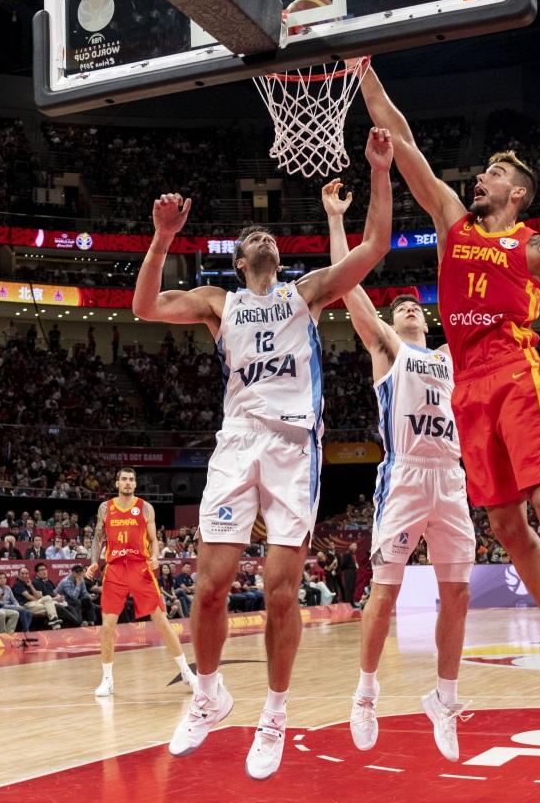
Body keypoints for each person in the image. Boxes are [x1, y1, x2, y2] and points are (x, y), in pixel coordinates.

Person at [360, 64, 540, 711]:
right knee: (506, 523)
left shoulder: (535, 247)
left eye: (497, 175)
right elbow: (401, 137)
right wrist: (362, 74)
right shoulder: (453, 220)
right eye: (485, 171)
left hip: (515, 369)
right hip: (467, 383)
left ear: (517, 196)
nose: (482, 177)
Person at [136, 128, 394, 780]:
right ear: (236, 257)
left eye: (269, 236)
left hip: (292, 447)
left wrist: (381, 170)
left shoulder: (302, 294)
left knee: (281, 591)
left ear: (277, 255)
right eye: (250, 237)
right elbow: (143, 306)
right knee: (209, 586)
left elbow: (374, 247)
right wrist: (163, 237)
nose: (260, 237)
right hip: (235, 445)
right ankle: (209, 694)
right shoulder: (216, 303)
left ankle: (274, 713)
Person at [324, 177, 476, 761]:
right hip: (405, 478)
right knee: (383, 596)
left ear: (429, 320)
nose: (412, 308)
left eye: (418, 306)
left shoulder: (447, 355)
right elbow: (349, 286)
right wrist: (338, 220)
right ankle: (365, 693)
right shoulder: (389, 348)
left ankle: (444, 697)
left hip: (452, 478)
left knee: (457, 592)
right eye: (404, 306)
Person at [88, 468, 198, 696]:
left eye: (131, 480)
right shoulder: (105, 508)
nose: (128, 483)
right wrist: (93, 562)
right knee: (107, 627)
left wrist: (156, 555)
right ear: (117, 483)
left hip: (140, 568)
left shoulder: (145, 507)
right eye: (124, 479)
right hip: (115, 569)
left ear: (135, 484)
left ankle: (187, 673)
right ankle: (107, 679)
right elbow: (98, 538)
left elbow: (153, 540)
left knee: (161, 621)